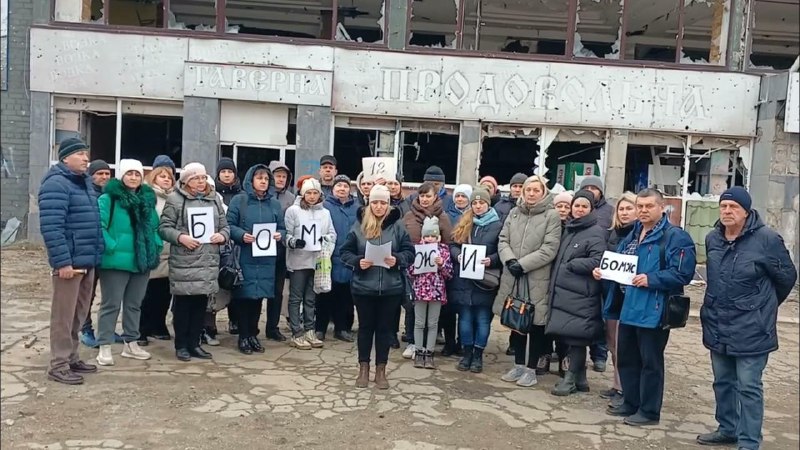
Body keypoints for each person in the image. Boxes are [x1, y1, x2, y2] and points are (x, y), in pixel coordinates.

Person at [696, 187, 796, 449]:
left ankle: (749, 441)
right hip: (718, 322)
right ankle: (727, 428)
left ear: (746, 211)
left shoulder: (767, 239)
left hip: (752, 327)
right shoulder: (712, 239)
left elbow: (786, 278)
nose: (727, 212)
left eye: (734, 207)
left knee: (749, 387)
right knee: (722, 382)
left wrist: (763, 306)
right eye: (723, 207)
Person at [598, 188, 696, 426]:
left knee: (650, 362)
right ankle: (631, 402)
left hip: (654, 309)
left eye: (648, 206)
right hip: (627, 306)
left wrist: (651, 279)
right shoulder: (632, 234)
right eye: (640, 206)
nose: (642, 210)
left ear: (661, 208)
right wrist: (604, 271)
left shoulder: (675, 237)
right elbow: (620, 264)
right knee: (627, 359)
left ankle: (649, 411)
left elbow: (683, 273)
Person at [39, 137, 105, 384]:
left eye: (86, 155)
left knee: (78, 314)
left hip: (86, 261)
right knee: (63, 316)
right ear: (65, 157)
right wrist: (62, 263)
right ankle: (58, 364)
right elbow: (52, 227)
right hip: (70, 263)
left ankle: (72, 356)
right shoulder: (56, 184)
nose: (86, 159)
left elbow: (91, 223)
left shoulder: (84, 183)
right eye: (80, 155)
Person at [341, 185, 414, 389]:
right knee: (365, 329)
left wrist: (397, 259)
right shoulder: (359, 225)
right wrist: (358, 261)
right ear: (369, 203)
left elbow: (410, 252)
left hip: (391, 288)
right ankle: (363, 369)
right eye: (375, 202)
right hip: (363, 287)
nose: (379, 206)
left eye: (383, 202)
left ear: (388, 204)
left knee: (384, 330)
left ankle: (381, 370)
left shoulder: (398, 226)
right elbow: (344, 252)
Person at [494, 175, 561, 388]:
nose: (531, 194)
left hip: (536, 277)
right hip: (513, 275)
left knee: (535, 324)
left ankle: (532, 369)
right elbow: (503, 239)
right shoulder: (514, 213)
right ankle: (518, 364)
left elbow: (549, 248)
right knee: (517, 321)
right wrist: (509, 260)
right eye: (528, 190)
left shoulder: (552, 216)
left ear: (543, 192)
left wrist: (523, 264)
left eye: (536, 190)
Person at [158, 162, 230, 362]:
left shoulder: (214, 199)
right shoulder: (175, 199)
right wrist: (181, 237)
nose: (201, 181)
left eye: (203, 177)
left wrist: (221, 236)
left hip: (207, 261)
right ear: (186, 181)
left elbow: (225, 226)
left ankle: (195, 343)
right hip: (185, 260)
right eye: (196, 178)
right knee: (183, 305)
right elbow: (164, 227)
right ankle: (181, 345)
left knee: (200, 305)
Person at [95, 159, 162, 366]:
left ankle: (131, 343)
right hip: (115, 262)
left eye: (137, 174)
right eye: (129, 173)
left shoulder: (146, 200)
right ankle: (105, 346)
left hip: (141, 261)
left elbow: (154, 227)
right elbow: (100, 226)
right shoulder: (108, 199)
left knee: (134, 304)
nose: (133, 177)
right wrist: (112, 246)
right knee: (111, 304)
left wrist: (155, 246)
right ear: (121, 175)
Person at [546, 189, 607, 396]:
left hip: (583, 295)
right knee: (571, 336)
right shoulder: (571, 229)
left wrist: (573, 264)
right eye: (577, 206)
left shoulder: (596, 231)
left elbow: (598, 260)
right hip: (567, 294)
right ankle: (581, 379)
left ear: (591, 209)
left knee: (577, 339)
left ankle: (570, 379)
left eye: (584, 206)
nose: (579, 210)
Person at [226, 164, 286, 355]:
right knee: (245, 297)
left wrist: (279, 235)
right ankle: (243, 336)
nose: (263, 181)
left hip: (267, 258)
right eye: (259, 177)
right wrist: (242, 235)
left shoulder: (275, 204)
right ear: (251, 180)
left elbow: (283, 228)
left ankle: (253, 334)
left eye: (266, 178)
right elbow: (228, 225)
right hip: (245, 255)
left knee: (259, 297)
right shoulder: (239, 200)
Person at [450, 187, 503, 374]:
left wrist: (492, 260)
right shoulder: (464, 221)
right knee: (464, 318)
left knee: (482, 319)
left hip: (485, 280)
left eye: (482, 203)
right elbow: (453, 244)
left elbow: (502, 249)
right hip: (464, 279)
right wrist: (458, 256)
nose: (478, 206)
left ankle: (478, 355)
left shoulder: (498, 225)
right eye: (475, 203)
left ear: (488, 204)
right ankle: (466, 353)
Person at [403, 182, 455, 354]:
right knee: (413, 310)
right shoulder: (409, 216)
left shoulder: (443, 217)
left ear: (435, 197)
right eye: (422, 196)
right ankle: (413, 343)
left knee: (433, 318)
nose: (425, 199)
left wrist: (441, 261)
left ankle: (429, 348)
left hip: (435, 278)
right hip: (415, 272)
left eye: (428, 196)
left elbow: (449, 242)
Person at [284, 178, 336, 350]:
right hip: (299, 260)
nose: (312, 196)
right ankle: (296, 332)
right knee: (295, 297)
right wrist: (293, 242)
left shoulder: (325, 213)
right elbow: (286, 234)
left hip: (316, 261)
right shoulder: (293, 211)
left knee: (311, 298)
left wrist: (325, 242)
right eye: (309, 193)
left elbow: (332, 233)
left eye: (315, 193)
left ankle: (309, 329)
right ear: (302, 193)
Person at [599, 191, 637, 404]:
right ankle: (617, 384)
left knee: (626, 346)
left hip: (631, 297)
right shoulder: (613, 233)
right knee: (613, 343)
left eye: (628, 208)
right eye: (621, 209)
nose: (624, 213)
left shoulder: (640, 234)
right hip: (612, 294)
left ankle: (626, 387)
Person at [138, 158, 177, 345]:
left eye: (169, 177)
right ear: (153, 178)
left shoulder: (174, 198)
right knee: (147, 294)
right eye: (162, 176)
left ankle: (159, 325)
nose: (166, 180)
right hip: (153, 251)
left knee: (164, 293)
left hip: (171, 253)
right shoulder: (148, 197)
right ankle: (142, 329)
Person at [317, 174, 360, 342]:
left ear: (350, 189)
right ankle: (320, 328)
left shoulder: (357, 206)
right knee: (325, 293)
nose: (342, 189)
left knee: (345, 295)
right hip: (328, 256)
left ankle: (342, 328)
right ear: (333, 189)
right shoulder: (324, 206)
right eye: (338, 186)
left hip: (349, 256)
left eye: (345, 186)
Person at [536, 190, 574, 375]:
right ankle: (544, 354)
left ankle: (564, 356)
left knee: (563, 322)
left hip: (565, 280)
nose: (563, 209)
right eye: (559, 205)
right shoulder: (545, 224)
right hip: (544, 276)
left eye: (567, 206)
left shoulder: (574, 228)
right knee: (543, 320)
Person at [407, 217, 454, 369]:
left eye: (433, 236)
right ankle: (419, 351)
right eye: (427, 236)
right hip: (420, 290)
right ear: (422, 237)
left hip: (437, 291)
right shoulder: (416, 250)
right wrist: (416, 265)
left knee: (433, 323)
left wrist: (441, 265)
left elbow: (449, 274)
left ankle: (429, 353)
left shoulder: (444, 251)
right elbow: (410, 272)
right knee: (419, 323)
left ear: (438, 237)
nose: (429, 239)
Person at [578, 175, 613, 372]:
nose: (591, 190)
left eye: (595, 187)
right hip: (580, 269)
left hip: (603, 270)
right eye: (587, 187)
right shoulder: (577, 207)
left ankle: (599, 354)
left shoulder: (609, 211)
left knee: (600, 314)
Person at [78, 159, 113, 349]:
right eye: (100, 173)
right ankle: (85, 328)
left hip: (108, 253)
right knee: (87, 294)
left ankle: (106, 329)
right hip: (89, 252)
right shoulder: (86, 193)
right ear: (92, 175)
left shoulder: (112, 195)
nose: (104, 177)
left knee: (110, 294)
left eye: (107, 173)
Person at [265, 160, 295, 342]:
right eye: (278, 176)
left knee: (277, 291)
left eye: (284, 176)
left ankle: (272, 327)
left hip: (281, 251)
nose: (281, 179)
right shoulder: (259, 195)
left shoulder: (291, 199)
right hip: (259, 250)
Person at [214, 157, 241, 342]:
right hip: (217, 244)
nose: (226, 174)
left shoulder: (241, 194)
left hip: (237, 244)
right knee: (217, 284)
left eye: (230, 171)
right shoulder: (213, 193)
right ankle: (211, 322)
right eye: (223, 171)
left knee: (235, 281)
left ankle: (235, 320)